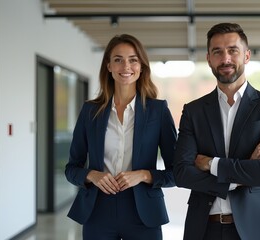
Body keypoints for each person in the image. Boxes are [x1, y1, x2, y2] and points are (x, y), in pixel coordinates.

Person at [173, 23, 260, 240]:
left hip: (257, 226)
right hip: (205, 228)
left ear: (246, 55)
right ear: (208, 58)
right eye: (217, 52)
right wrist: (242, 174)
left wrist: (210, 164)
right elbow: (181, 173)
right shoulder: (194, 111)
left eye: (233, 50)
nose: (225, 59)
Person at [65, 34, 177, 240]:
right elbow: (71, 169)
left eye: (133, 59)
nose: (126, 66)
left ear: (141, 66)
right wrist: (92, 175)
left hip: (143, 212)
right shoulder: (90, 111)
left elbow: (177, 172)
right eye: (118, 59)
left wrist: (143, 174)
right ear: (108, 66)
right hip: (97, 210)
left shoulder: (158, 111)